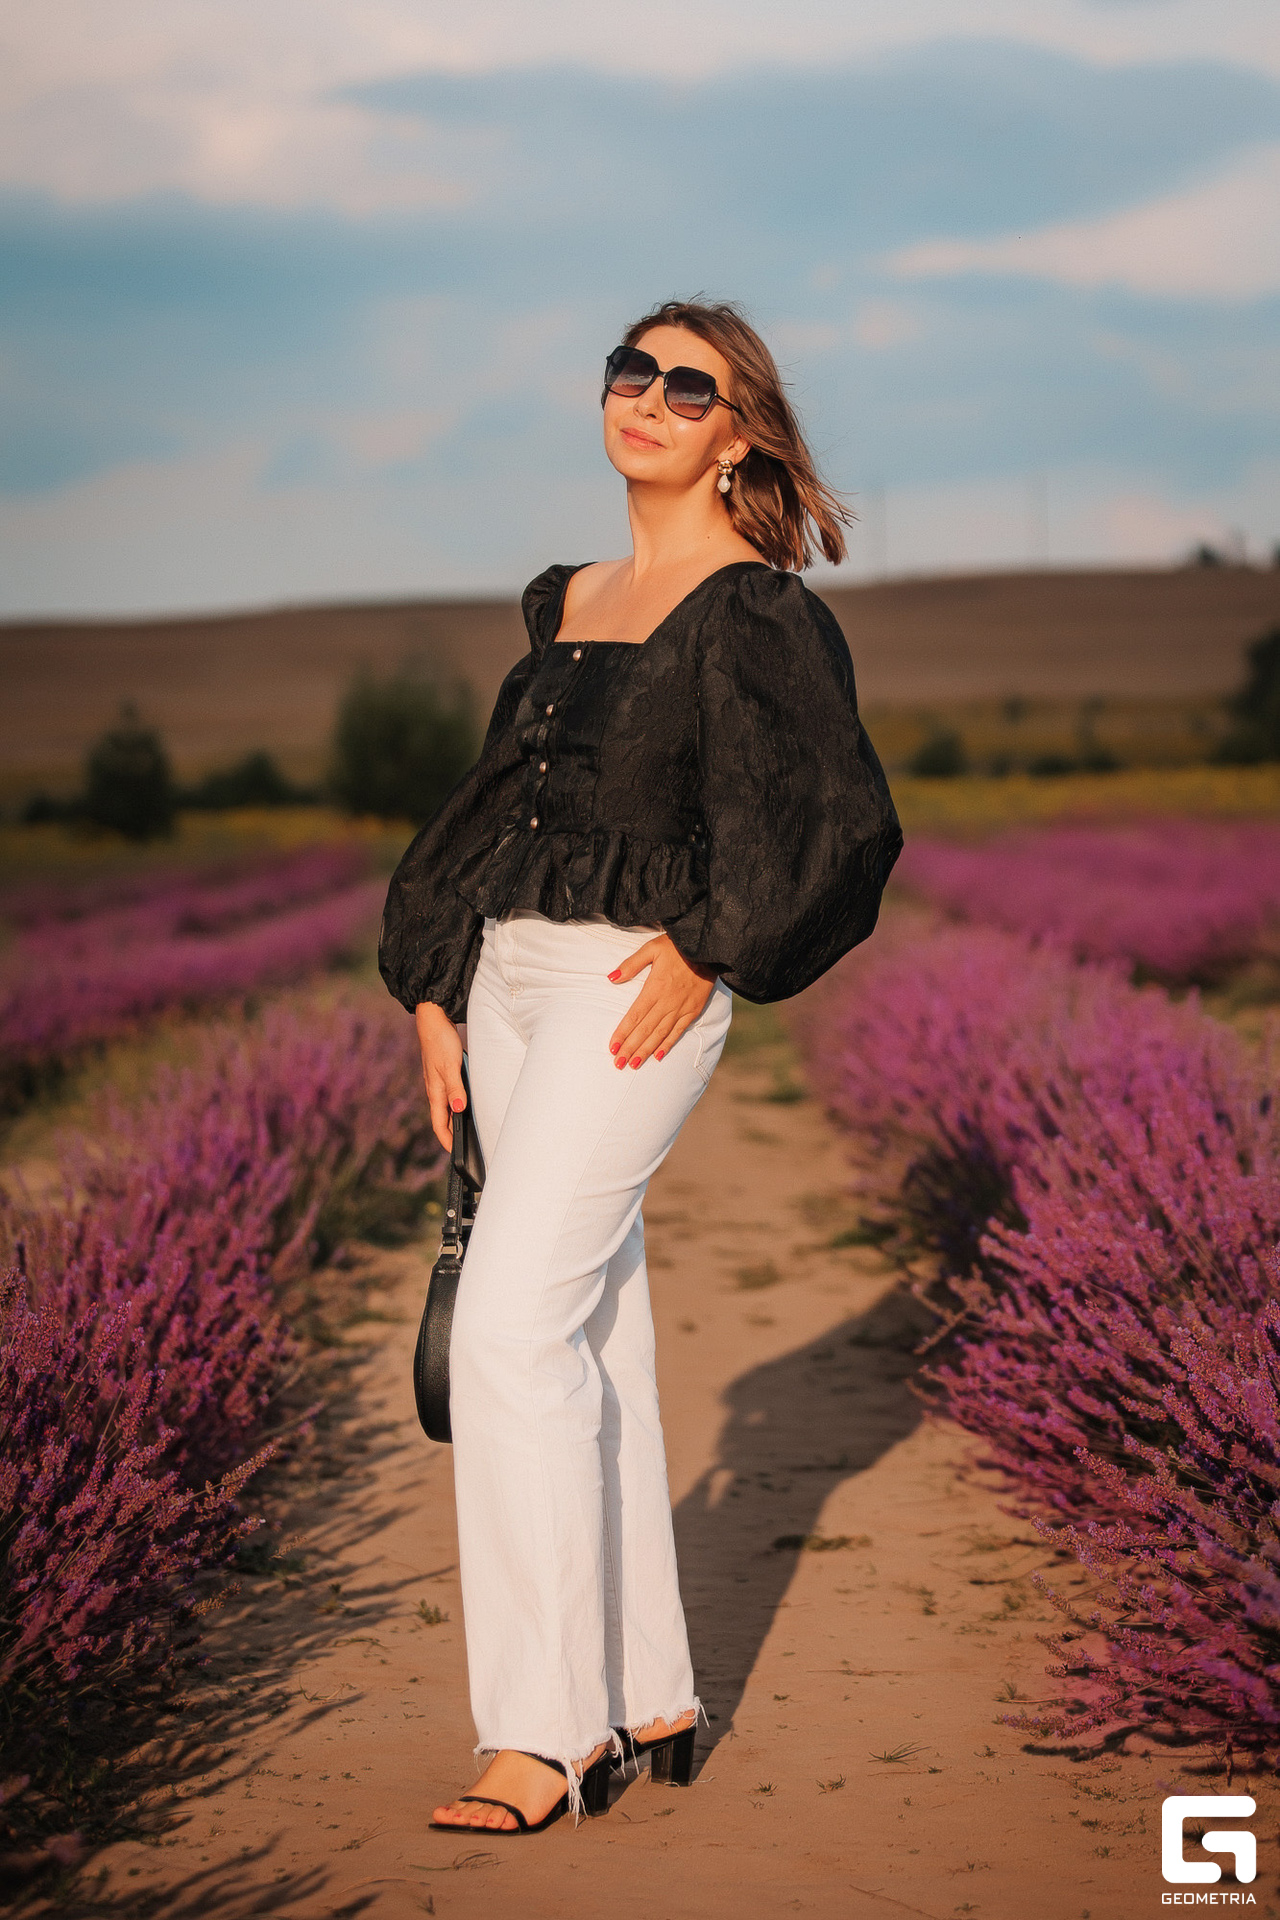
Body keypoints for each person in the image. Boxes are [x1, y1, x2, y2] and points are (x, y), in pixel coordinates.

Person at [378, 297, 903, 1836]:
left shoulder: (758, 614)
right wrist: (435, 984)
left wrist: (711, 945)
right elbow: (495, 806)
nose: (650, 400)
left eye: (689, 387)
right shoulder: (570, 599)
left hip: (632, 988)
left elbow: (842, 818)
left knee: (509, 1329)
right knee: (592, 1330)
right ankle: (655, 1686)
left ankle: (547, 1736)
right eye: (633, 372)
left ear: (739, 436)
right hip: (508, 980)